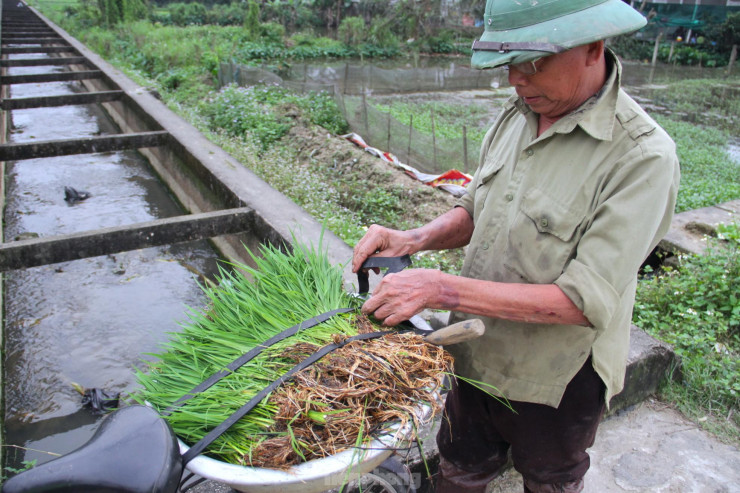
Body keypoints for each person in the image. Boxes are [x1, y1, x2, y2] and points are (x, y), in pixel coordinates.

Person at [351, 1, 680, 492]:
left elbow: (580, 302)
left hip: (557, 376)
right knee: (459, 465)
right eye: (509, 64)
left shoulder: (643, 158)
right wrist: (414, 239)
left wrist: (440, 288)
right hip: (476, 346)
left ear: (594, 47)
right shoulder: (519, 114)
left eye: (535, 63)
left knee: (550, 478)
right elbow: (477, 206)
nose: (517, 80)